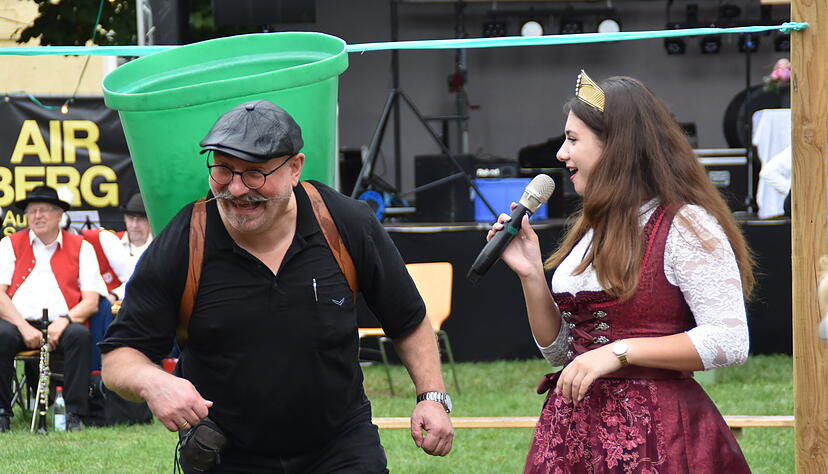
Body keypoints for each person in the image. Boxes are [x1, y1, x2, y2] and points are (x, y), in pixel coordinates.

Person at [100, 100, 454, 472]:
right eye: (222, 170)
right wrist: (152, 381)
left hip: (339, 448)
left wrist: (431, 397)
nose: (236, 189)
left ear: (295, 168)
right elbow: (117, 359)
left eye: (255, 174)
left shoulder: (345, 224)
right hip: (226, 454)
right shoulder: (186, 240)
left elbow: (408, 319)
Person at [489, 71, 755, 472]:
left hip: (657, 436)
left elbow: (730, 340)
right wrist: (530, 274)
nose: (561, 153)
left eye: (573, 139)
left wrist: (618, 353)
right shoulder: (593, 227)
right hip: (574, 433)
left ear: (617, 146)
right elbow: (561, 351)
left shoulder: (686, 225)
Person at [0, 185, 108, 432]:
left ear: (60, 215)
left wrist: (65, 321)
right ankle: (2, 412)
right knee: (1, 334)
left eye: (44, 211)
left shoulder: (82, 247)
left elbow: (91, 301)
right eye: (32, 211)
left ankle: (74, 413)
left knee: (79, 336)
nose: (37, 216)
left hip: (62, 322)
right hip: (19, 323)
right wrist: (22, 326)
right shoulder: (10, 244)